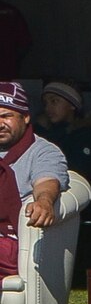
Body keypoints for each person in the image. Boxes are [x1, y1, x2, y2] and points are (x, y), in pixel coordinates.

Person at [0, 80, 69, 279]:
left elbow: (47, 180)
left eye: (6, 116)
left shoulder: (42, 151)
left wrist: (44, 201)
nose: (0, 124)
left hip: (13, 239)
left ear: (25, 117)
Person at [34, 82, 91, 195]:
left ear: (72, 105)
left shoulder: (83, 135)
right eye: (45, 103)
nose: (48, 108)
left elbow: (80, 172)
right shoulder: (40, 132)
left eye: (54, 101)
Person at [0, 0, 29, 79]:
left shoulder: (11, 12)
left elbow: (24, 43)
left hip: (7, 71)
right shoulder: (11, 11)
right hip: (8, 70)